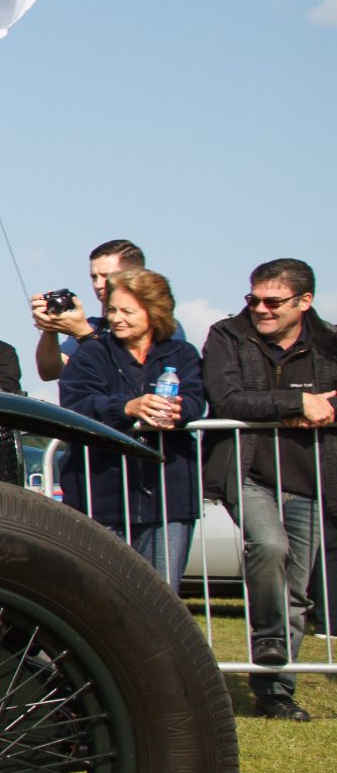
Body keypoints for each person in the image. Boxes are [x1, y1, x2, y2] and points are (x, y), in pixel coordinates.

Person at [201, 258, 337, 721]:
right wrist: (296, 403)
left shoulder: (331, 344)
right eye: (253, 299)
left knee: (297, 591)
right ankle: (271, 642)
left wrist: (325, 410)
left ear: (305, 302)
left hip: (312, 480)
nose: (261, 308)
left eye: (273, 301)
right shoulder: (227, 336)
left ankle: (275, 690)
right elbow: (228, 398)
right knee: (269, 545)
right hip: (249, 472)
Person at [57, 269, 206, 589]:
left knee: (162, 596)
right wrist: (127, 408)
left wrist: (179, 411)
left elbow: (196, 400)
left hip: (169, 496)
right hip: (101, 494)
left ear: (154, 312)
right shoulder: (92, 354)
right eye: (112, 310)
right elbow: (74, 403)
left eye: (127, 311)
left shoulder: (183, 354)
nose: (116, 318)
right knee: (104, 593)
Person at [30, 237, 144, 382]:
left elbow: (130, 379)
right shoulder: (95, 326)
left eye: (106, 276)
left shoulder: (159, 327)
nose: (98, 284)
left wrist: (83, 334)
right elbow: (50, 372)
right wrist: (50, 327)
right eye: (94, 277)